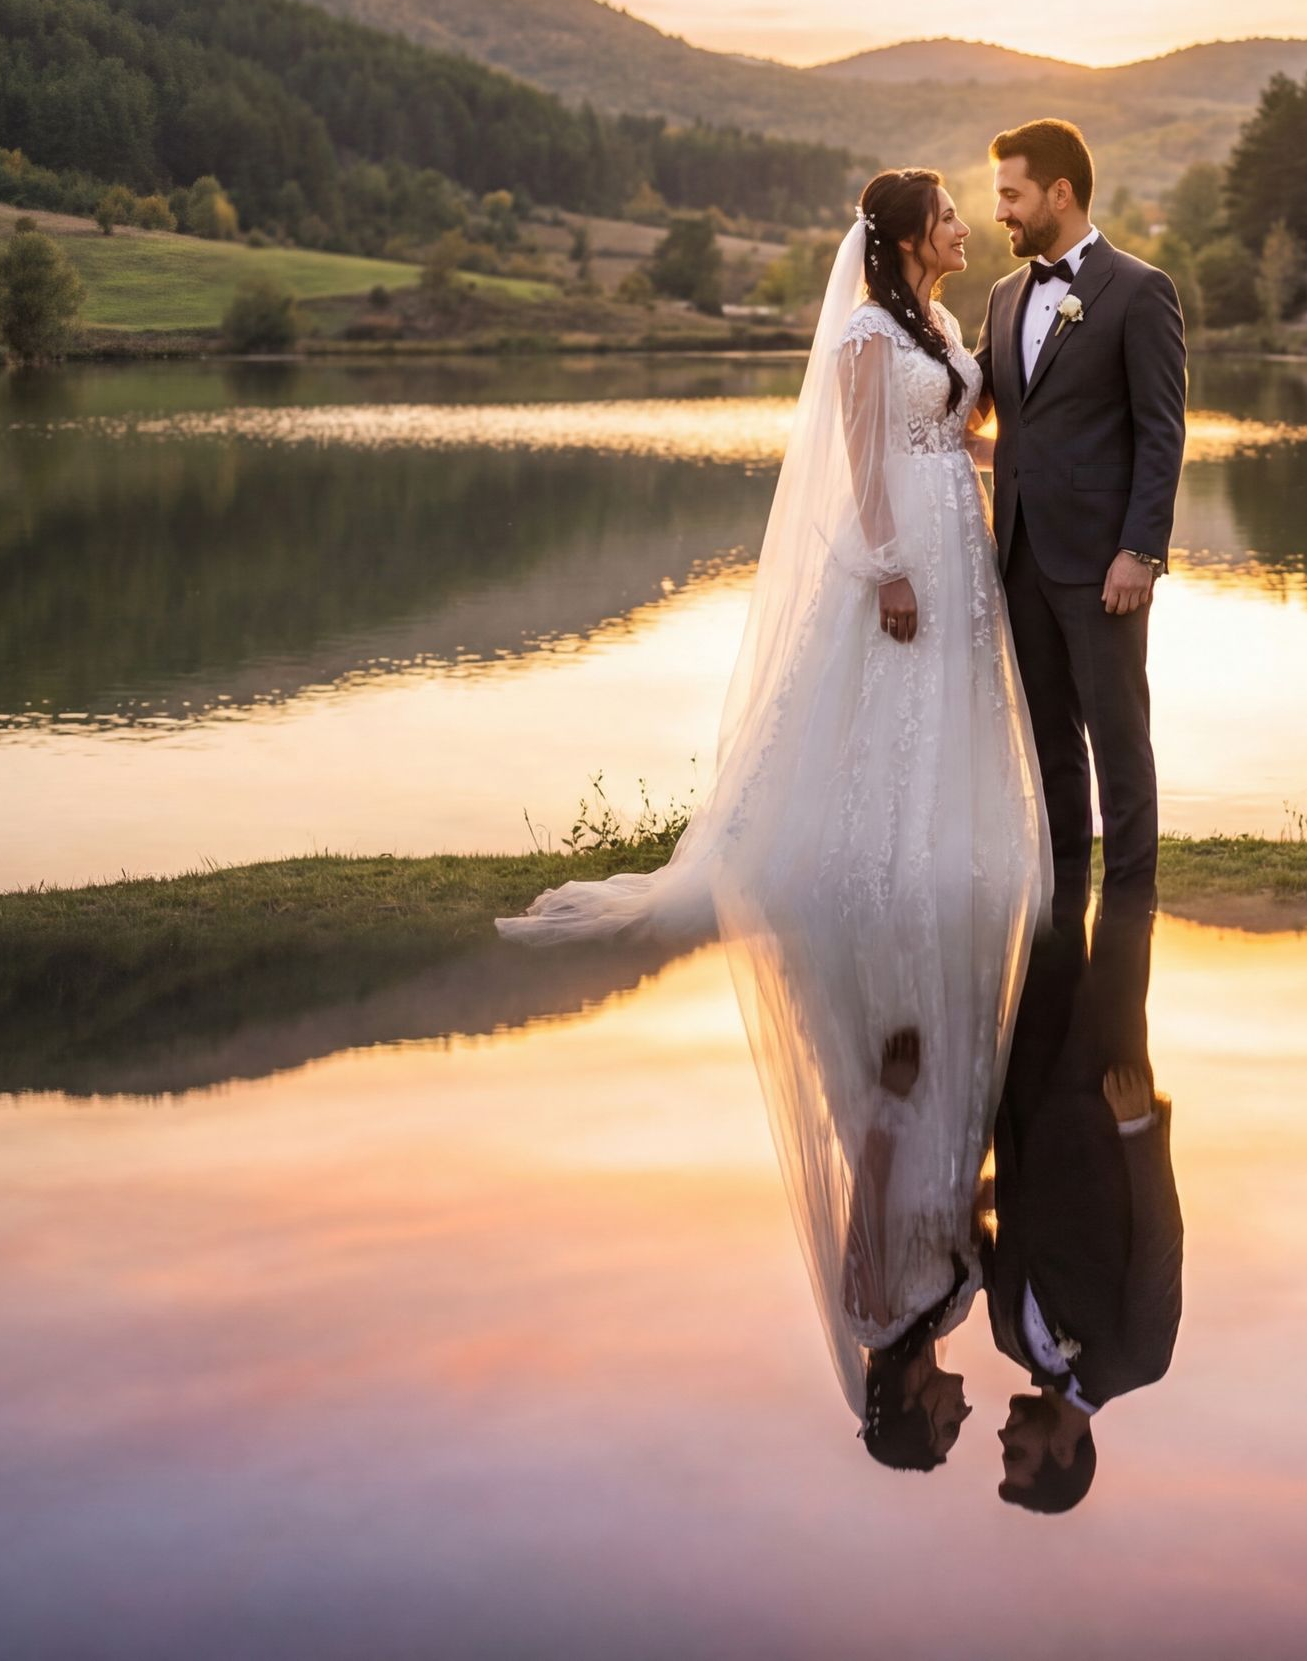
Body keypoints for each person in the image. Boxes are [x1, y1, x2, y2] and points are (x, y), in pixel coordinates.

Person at [497, 169, 1048, 1461]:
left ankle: (930, 866)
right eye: (953, 217)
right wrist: (890, 563)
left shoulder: (933, 328)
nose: (966, 229)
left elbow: (950, 432)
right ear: (915, 236)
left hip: (949, 542)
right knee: (883, 736)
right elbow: (859, 460)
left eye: (945, 1416)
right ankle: (877, 875)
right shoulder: (865, 331)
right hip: (904, 551)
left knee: (942, 737)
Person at [975, 117, 1188, 912]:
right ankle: (1066, 899)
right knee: (1050, 746)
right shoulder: (1001, 297)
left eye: (1011, 193)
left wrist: (1142, 550)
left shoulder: (1139, 290)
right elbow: (989, 413)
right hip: (1019, 558)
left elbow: (1162, 433)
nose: (1000, 211)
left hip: (1103, 565)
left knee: (1118, 741)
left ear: (1058, 193)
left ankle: (1132, 905)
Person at [986, 895, 1181, 1514]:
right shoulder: (1138, 1360)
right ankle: (1130, 793)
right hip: (1103, 1101)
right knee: (1126, 914)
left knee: (1054, 913)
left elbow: (995, 1239)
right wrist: (1138, 1130)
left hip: (1028, 1089)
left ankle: (1053, 794)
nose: (1002, 1437)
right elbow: (1159, 1243)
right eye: (1016, 1454)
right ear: (1063, 1455)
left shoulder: (1006, 1340)